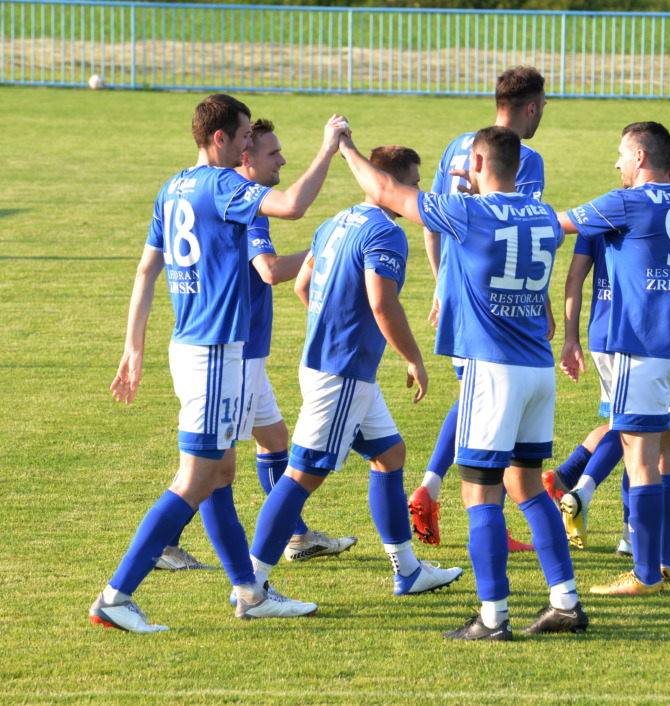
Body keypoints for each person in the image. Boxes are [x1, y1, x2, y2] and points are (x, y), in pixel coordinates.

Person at [92, 94, 349, 633]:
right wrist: (328, 149)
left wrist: (133, 347)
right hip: (213, 354)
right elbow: (292, 205)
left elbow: (145, 271)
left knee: (220, 473)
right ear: (220, 139)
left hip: (194, 347)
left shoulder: (172, 188)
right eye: (245, 136)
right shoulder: (222, 184)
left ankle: (250, 592)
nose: (249, 144)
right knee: (195, 479)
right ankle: (115, 595)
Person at [339, 125, 587, 640]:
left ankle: (493, 617)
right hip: (537, 370)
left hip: (492, 371)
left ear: (475, 163)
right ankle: (565, 602)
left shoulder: (468, 212)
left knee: (480, 495)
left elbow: (386, 190)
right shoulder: (544, 215)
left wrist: (344, 146)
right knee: (527, 487)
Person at [243, 145, 463, 602]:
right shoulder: (387, 232)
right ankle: (251, 586)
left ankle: (408, 571)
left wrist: (333, 323)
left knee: (390, 454)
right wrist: (413, 358)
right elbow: (382, 303)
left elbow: (302, 285)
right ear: (391, 184)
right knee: (302, 476)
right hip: (342, 374)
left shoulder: (335, 221)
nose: (416, 193)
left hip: (333, 367)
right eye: (413, 184)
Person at [155, 119, 357, 572]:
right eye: (272, 153)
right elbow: (269, 270)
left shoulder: (228, 197)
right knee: (212, 466)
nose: (282, 160)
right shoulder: (241, 204)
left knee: (272, 439)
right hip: (233, 352)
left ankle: (296, 536)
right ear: (243, 155)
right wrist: (325, 249)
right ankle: (169, 547)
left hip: (243, 350)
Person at [546, 137, 670, 553]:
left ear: (640, 156)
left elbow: (556, 226)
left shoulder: (622, 203)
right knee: (659, 446)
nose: (616, 163)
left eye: (620, 154)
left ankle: (640, 551)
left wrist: (495, 206)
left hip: (639, 344)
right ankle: (651, 545)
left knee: (639, 452)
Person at [408, 66, 548, 552]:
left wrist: (441, 283)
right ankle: (450, 500)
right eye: (543, 107)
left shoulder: (457, 146)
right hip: (496, 302)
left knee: (475, 396)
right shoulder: (525, 158)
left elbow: (432, 224)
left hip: (459, 289)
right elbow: (521, 237)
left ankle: (431, 487)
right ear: (530, 106)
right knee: (495, 407)